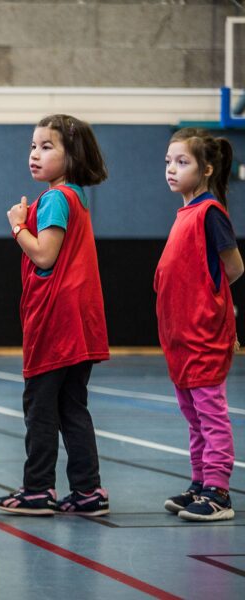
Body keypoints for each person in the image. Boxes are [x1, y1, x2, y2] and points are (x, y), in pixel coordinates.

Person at [0, 114, 111, 517]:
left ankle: (37, 488)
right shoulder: (75, 197)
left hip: (56, 320)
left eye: (47, 147)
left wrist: (16, 227)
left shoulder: (57, 199)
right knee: (71, 407)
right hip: (76, 321)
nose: (35, 154)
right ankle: (87, 491)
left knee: (40, 407)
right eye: (33, 146)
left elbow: (45, 254)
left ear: (72, 155)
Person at [157, 127, 243, 522]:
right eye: (168, 162)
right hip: (179, 336)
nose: (172, 170)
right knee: (193, 415)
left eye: (182, 162)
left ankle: (219, 491)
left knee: (210, 413)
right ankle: (199, 482)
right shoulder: (185, 212)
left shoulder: (210, 213)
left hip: (203, 334)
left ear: (207, 169)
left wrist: (209, 300)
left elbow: (233, 267)